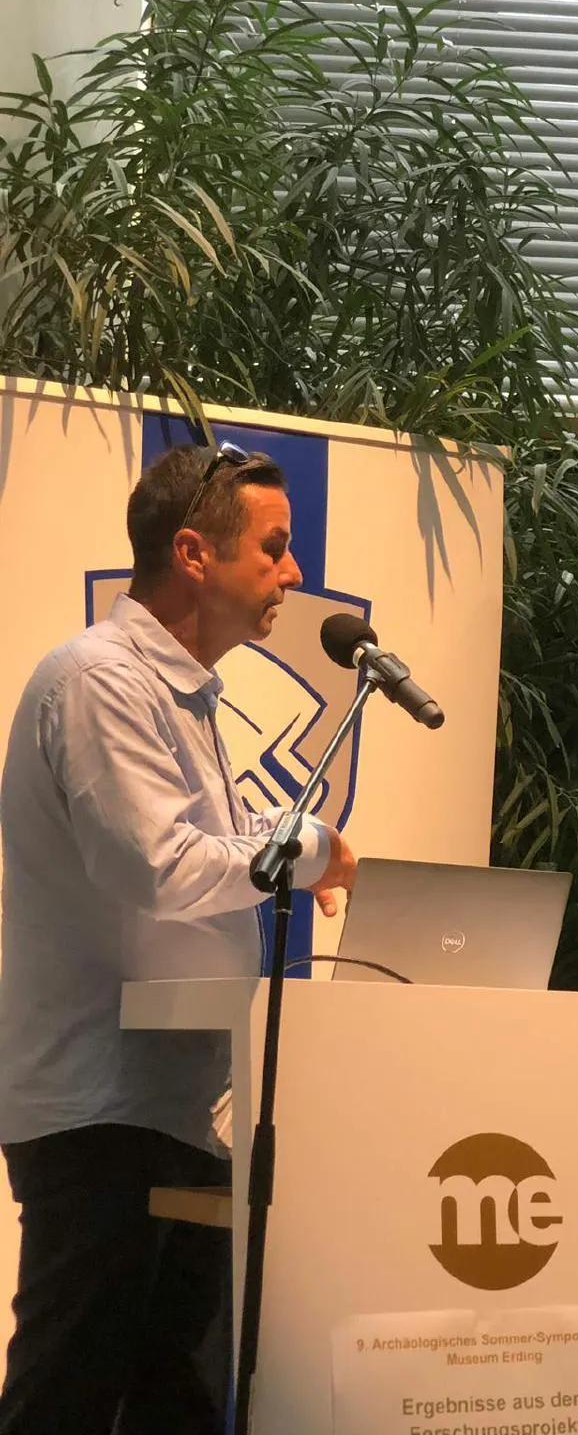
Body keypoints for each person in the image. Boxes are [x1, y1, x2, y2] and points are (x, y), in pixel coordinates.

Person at [0, 440, 356, 1435]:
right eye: (274, 548)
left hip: (185, 1107)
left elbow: (198, 846)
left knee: (182, 1404)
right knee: (68, 1399)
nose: (294, 573)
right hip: (101, 1111)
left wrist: (296, 840)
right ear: (194, 554)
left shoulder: (187, 693)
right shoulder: (97, 680)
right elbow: (157, 867)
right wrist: (308, 846)